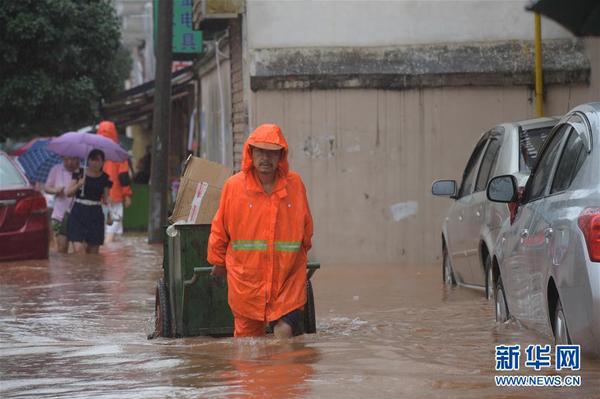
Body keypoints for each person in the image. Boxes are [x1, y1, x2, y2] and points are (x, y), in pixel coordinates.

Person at [207, 123, 313, 339]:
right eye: (260, 151)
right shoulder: (234, 187)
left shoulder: (295, 185)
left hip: (287, 277)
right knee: (248, 343)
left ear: (281, 156)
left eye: (272, 153)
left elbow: (306, 228)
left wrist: (298, 257)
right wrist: (218, 262)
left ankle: (281, 373)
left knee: (284, 332)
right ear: (251, 153)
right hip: (246, 280)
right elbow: (220, 228)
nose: (266, 158)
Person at [66, 149, 112, 254]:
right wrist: (79, 184)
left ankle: (90, 271)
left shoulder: (105, 178)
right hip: (78, 212)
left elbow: (106, 199)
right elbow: (68, 193)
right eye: (92, 160)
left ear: (102, 162)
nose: (95, 163)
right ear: (88, 160)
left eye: (98, 160)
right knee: (78, 249)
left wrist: (109, 214)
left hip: (95, 214)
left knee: (93, 253)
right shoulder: (80, 173)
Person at [96, 121, 133, 242]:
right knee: (112, 231)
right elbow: (123, 176)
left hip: (98, 197)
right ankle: (110, 258)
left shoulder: (94, 154)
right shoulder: (119, 153)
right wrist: (127, 195)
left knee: (105, 230)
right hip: (115, 197)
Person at [44, 156, 80, 253]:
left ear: (78, 159)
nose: (69, 162)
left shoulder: (83, 172)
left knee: (79, 250)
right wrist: (55, 190)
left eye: (72, 159)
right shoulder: (56, 169)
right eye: (66, 159)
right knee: (61, 248)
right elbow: (46, 188)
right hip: (58, 215)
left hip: (78, 216)